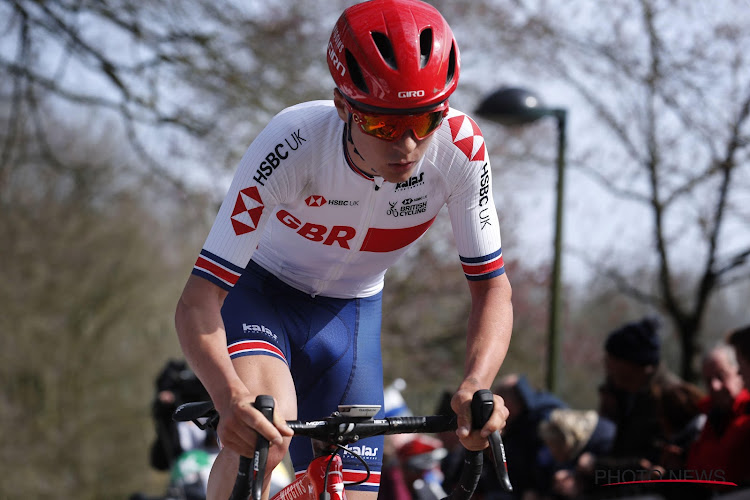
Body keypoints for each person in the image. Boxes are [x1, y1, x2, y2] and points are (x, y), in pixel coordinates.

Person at [174, 1, 514, 499]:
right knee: (261, 440)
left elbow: (492, 288)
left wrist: (476, 383)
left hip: (352, 315)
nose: (407, 145)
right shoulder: (291, 143)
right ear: (342, 106)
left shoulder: (461, 149)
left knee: (349, 492)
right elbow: (196, 302)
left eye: (425, 120)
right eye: (382, 125)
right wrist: (229, 399)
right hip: (264, 296)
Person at [686, 341, 750, 487]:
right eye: (708, 381)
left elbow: (726, 467)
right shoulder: (707, 413)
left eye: (721, 376)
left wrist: (692, 455)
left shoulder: (746, 412)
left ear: (739, 372)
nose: (715, 386)